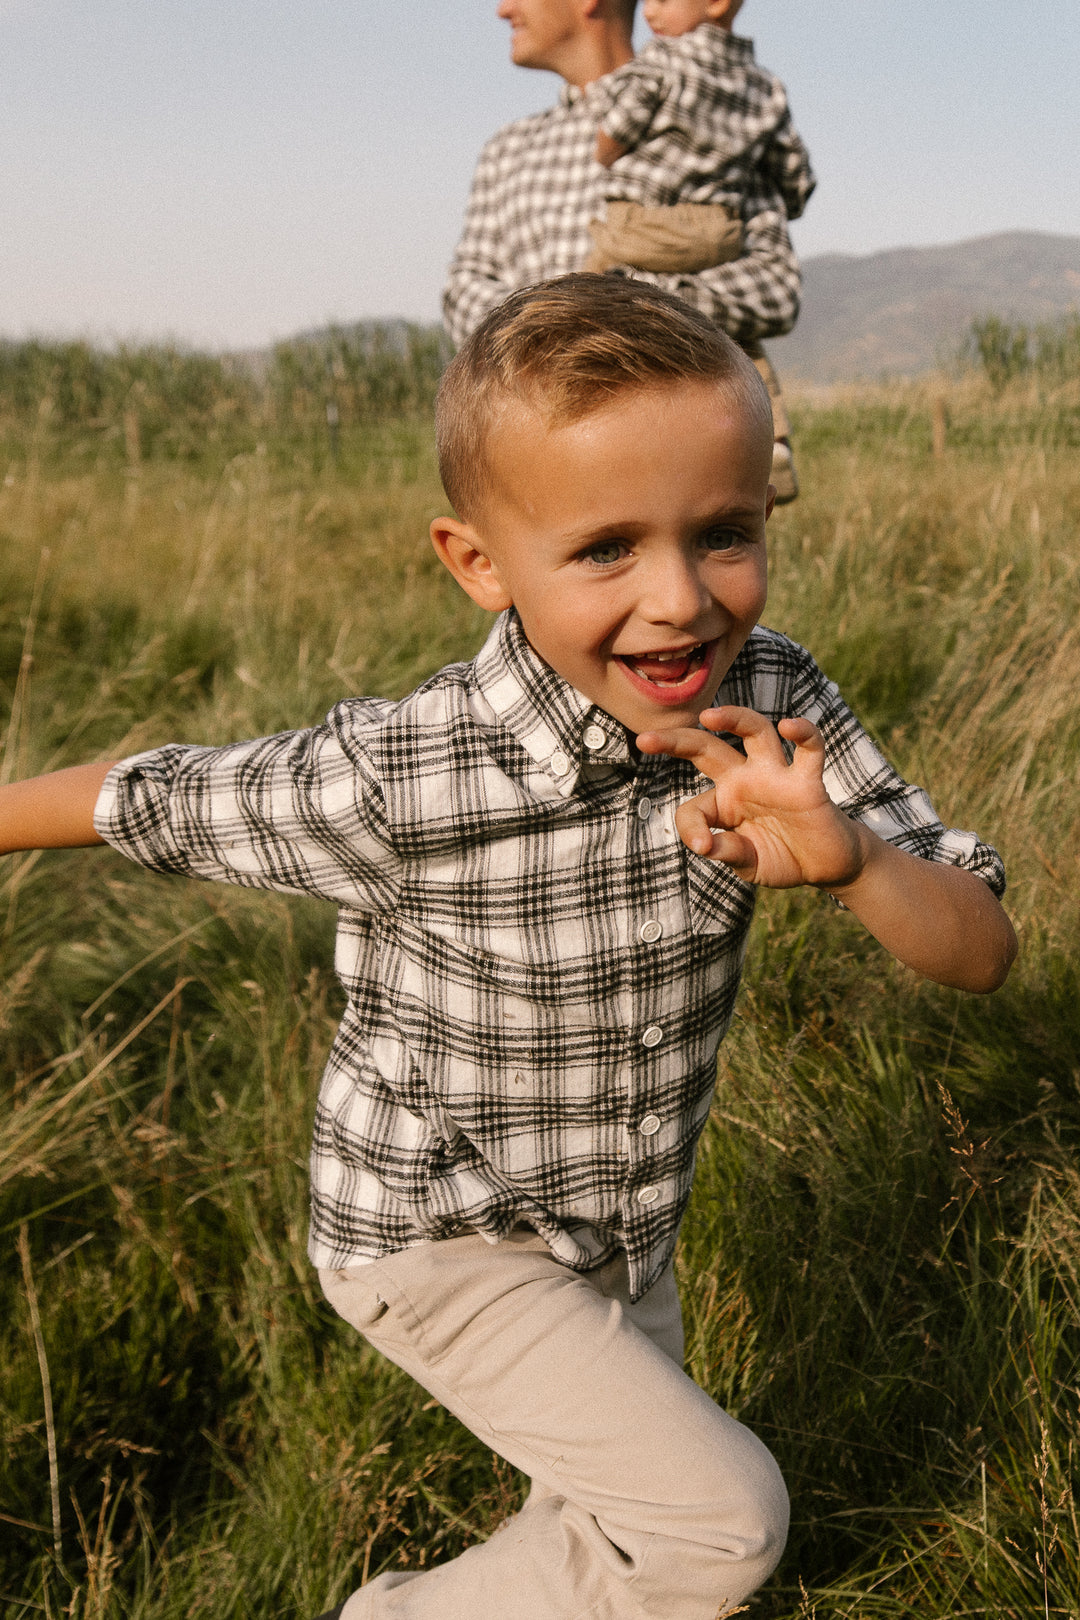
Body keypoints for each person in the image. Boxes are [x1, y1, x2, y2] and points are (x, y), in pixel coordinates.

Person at [0, 277, 1017, 1620]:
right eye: (606, 549)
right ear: (479, 561)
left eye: (723, 533)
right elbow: (155, 791)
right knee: (717, 1526)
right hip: (436, 1233)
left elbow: (980, 947)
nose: (680, 600)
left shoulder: (778, 701)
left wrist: (851, 862)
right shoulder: (404, 773)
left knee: (615, 1514)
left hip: (618, 1223)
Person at [444, 0, 813, 500]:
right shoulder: (508, 150)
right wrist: (565, 329)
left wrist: (638, 302)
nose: (503, 8)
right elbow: (464, 290)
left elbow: (776, 288)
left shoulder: (712, 119)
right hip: (542, 463)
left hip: (679, 471)